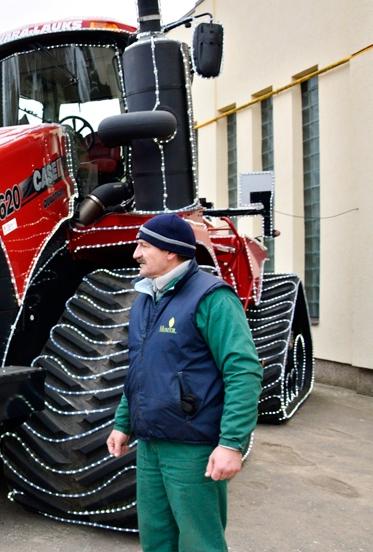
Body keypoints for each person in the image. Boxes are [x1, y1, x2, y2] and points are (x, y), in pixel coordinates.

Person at [106, 214, 262, 552]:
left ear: (172, 252)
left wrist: (232, 443)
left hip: (192, 448)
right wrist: (123, 423)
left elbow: (243, 370)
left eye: (144, 245)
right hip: (150, 445)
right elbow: (140, 370)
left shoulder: (212, 298)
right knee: (156, 537)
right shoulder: (145, 300)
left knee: (199, 542)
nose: (136, 253)